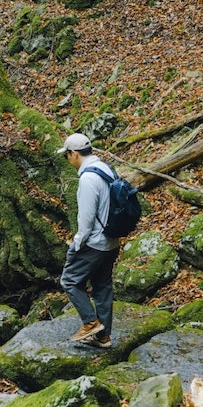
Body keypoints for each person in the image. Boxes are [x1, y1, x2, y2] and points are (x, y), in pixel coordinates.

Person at [57, 132, 120, 347]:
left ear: (74, 154)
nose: (68, 160)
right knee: (102, 287)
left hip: (94, 243)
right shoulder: (106, 169)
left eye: (67, 155)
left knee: (69, 281)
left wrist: (77, 244)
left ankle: (91, 323)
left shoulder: (87, 179)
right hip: (112, 241)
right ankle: (103, 337)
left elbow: (86, 218)